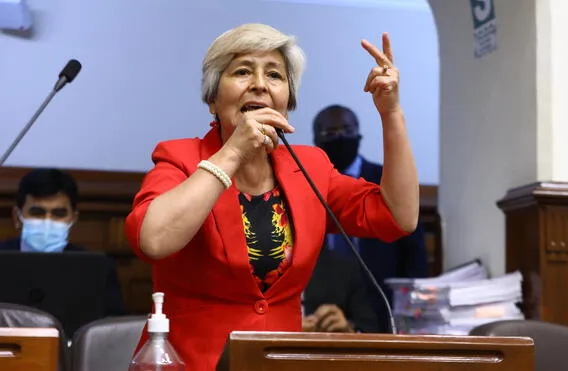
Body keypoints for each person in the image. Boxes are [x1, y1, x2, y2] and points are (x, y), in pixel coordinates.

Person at [125, 23, 419, 371]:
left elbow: (398, 216)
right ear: (213, 100)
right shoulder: (181, 158)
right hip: (190, 363)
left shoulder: (311, 166)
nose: (260, 84)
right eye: (243, 71)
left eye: (275, 75)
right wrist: (232, 153)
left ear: (287, 102)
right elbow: (152, 240)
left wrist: (391, 113)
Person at [312, 104, 429, 332]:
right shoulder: (308, 183)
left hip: (384, 305)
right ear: (317, 140)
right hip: (322, 312)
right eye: (330, 133)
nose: (340, 137)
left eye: (347, 130)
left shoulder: (386, 181)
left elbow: (414, 252)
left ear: (359, 134)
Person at [0, 168, 126, 316]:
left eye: (58, 213)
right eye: (37, 212)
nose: (48, 221)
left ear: (73, 218)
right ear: (17, 216)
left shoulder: (98, 269)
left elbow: (107, 328)